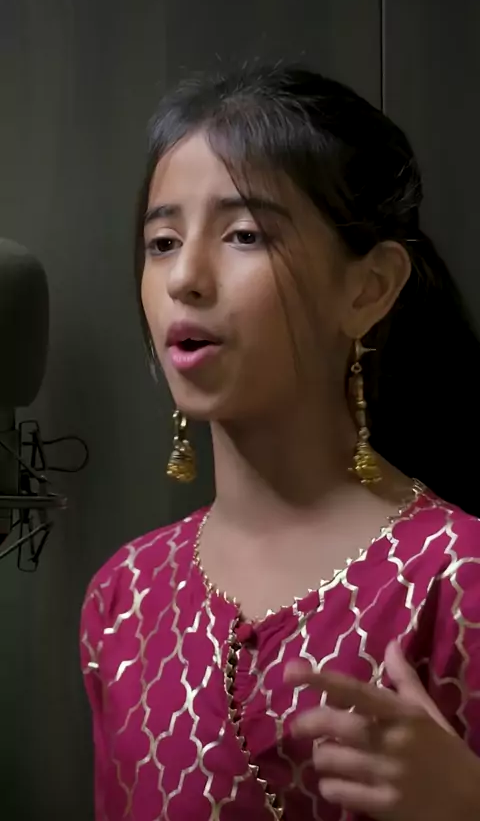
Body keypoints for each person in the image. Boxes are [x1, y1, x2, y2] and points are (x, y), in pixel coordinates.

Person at [80, 64, 480, 821]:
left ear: (368, 289)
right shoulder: (122, 597)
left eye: (244, 235)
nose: (184, 278)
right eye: (162, 242)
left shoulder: (458, 579)